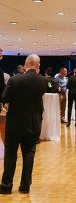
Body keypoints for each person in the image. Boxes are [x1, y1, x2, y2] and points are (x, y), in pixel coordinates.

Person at [0, 54, 48, 194]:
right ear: (37, 65)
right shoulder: (43, 81)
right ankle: (25, 186)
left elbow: (4, 98)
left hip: (14, 124)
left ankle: (6, 186)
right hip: (33, 124)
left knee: (10, 155)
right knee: (29, 155)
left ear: (26, 64)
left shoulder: (14, 80)